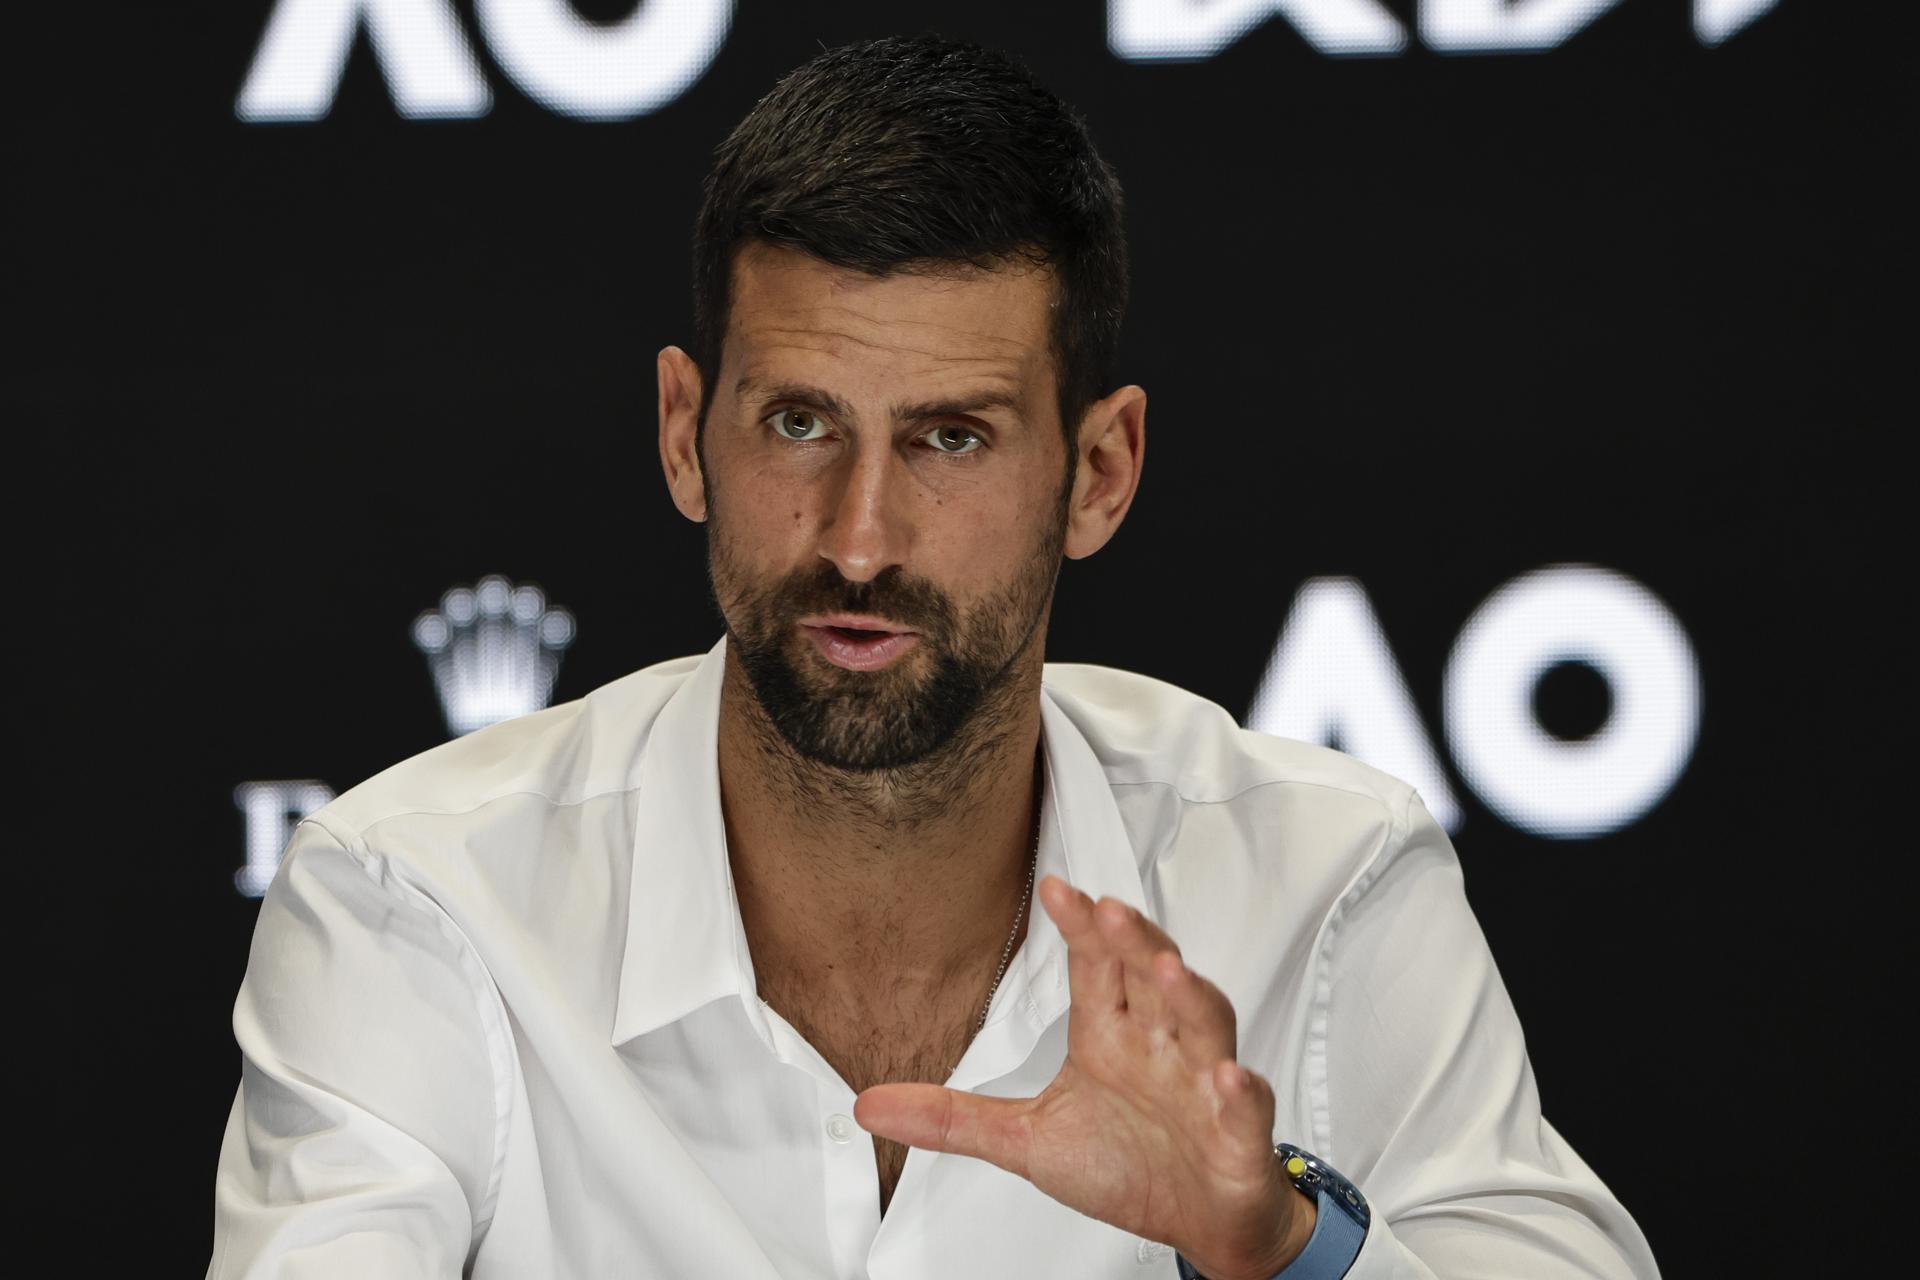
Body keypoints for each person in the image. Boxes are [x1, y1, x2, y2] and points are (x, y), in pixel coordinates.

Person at [208, 34, 1660, 1280]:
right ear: (680, 431)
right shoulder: (416, 903)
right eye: (798, 424)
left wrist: (1276, 1244)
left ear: (1100, 472)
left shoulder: (1318, 881)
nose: (856, 538)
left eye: (949, 438)